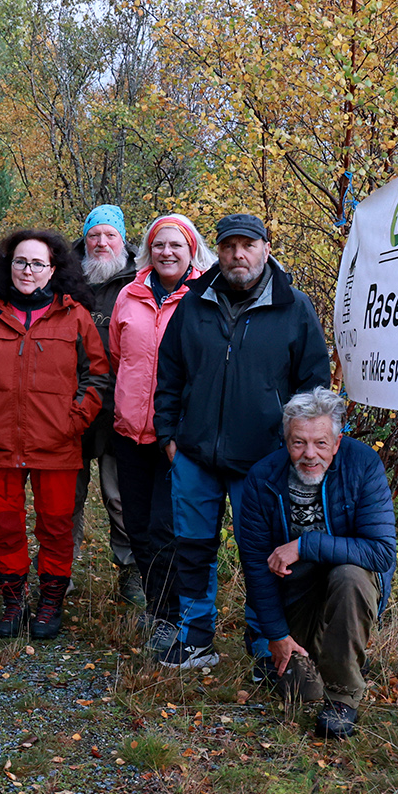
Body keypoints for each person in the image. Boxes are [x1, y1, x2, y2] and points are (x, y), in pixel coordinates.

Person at [153, 213, 331, 671]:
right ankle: (195, 638)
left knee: (263, 553)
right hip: (195, 455)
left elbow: (313, 388)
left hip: (265, 460)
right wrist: (169, 436)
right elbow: (169, 375)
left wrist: (296, 452)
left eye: (247, 245)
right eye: (229, 245)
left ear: (265, 248)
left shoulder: (294, 307)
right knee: (192, 548)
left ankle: (263, 641)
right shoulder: (193, 304)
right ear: (218, 251)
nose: (238, 254)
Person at [0, 230, 110, 641]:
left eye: (37, 263)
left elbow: (96, 376)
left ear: (53, 269)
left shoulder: (74, 315)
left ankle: (49, 602)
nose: (28, 270)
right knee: (4, 525)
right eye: (21, 262)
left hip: (56, 443)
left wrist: (74, 420)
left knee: (56, 526)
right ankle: (12, 600)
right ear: (8, 267)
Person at [235, 390, 395, 739]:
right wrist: (276, 635)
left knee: (350, 575)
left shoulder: (363, 465)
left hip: (347, 590)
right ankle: (302, 649)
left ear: (337, 442)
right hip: (294, 596)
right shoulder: (263, 478)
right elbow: (256, 566)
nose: (309, 454)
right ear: (286, 439)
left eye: (321, 443)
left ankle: (343, 696)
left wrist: (306, 545)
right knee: (300, 690)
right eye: (298, 442)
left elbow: (381, 553)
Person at [107, 213, 215, 656]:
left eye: (176, 245)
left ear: (191, 250)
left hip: (178, 438)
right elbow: (117, 354)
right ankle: (157, 609)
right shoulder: (128, 295)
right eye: (158, 245)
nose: (166, 252)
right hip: (129, 432)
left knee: (168, 528)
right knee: (138, 529)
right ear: (147, 251)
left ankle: (173, 617)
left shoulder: (206, 298)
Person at [72, 203, 141, 605]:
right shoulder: (65, 277)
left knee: (120, 497)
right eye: (94, 235)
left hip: (121, 405)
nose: (101, 242)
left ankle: (130, 575)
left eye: (109, 235)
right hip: (72, 404)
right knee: (66, 494)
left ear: (122, 240)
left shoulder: (141, 279)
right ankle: (58, 570)